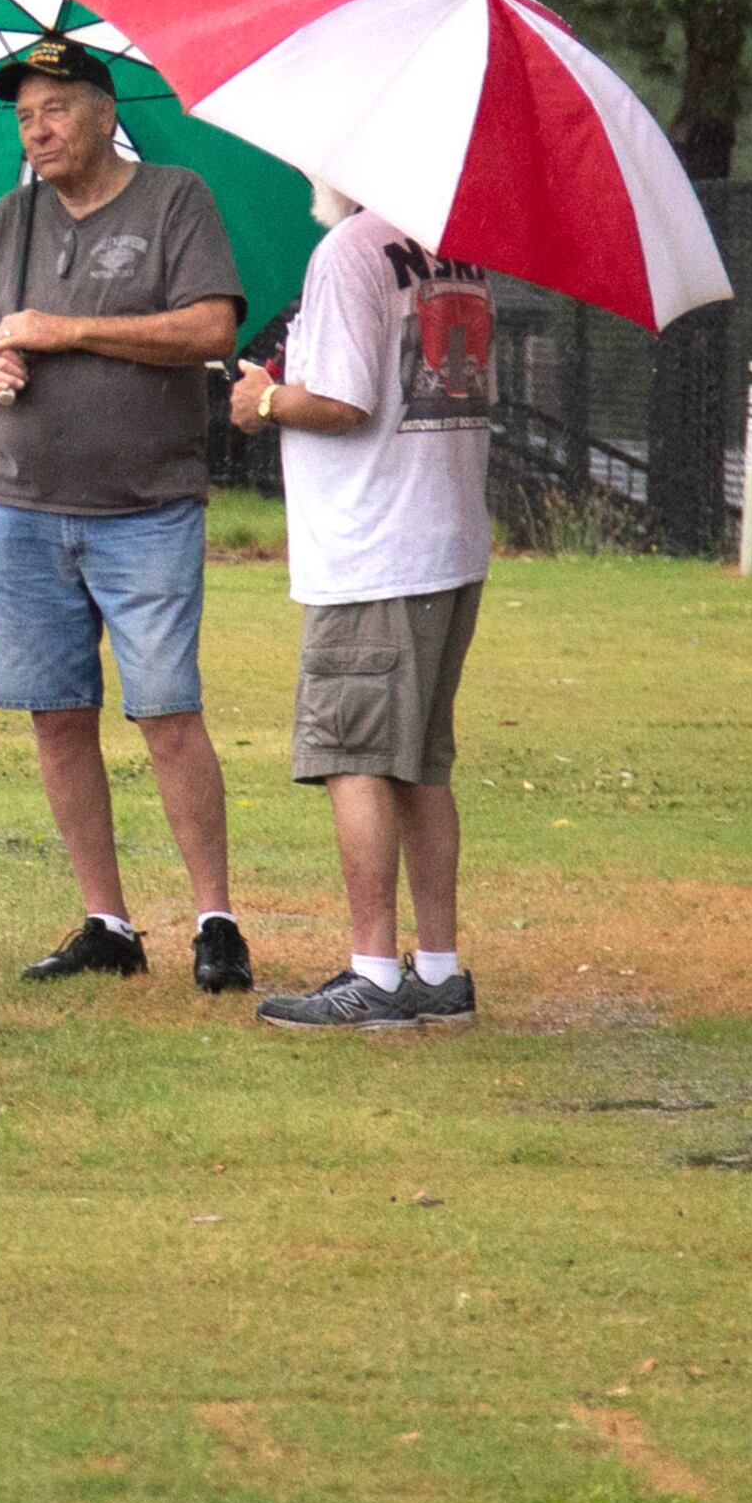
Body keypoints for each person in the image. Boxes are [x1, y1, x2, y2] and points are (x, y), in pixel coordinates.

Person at [0, 34, 253, 993]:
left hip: (145, 509)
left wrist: (68, 327)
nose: (37, 129)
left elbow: (212, 330)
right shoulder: (10, 221)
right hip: (24, 510)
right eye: (25, 117)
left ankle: (216, 919)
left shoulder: (175, 200)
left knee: (167, 712)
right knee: (57, 718)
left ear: (107, 112)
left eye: (57, 109)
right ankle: (107, 920)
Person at [228, 184, 495, 1032]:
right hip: (447, 543)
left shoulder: (349, 251)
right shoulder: (453, 247)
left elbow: (346, 404)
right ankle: (440, 971)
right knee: (422, 762)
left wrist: (263, 401)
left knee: (355, 757)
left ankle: (375, 975)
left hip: (374, 552)